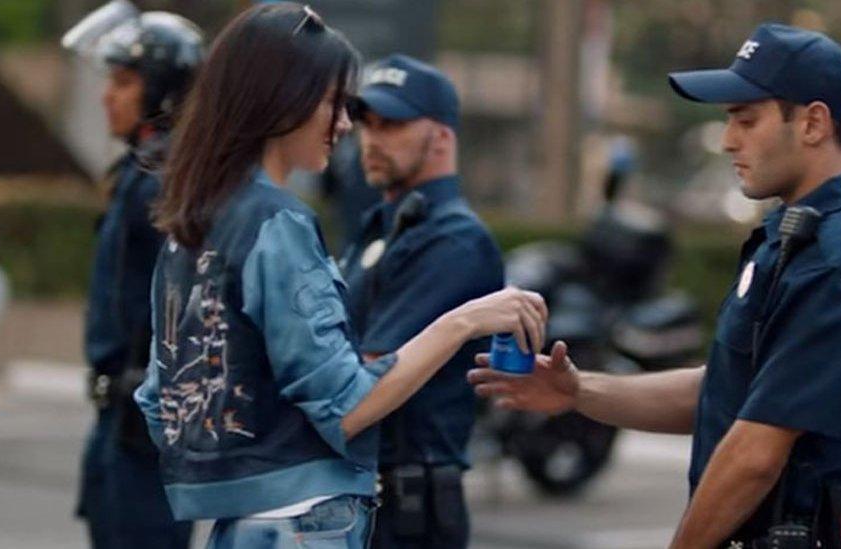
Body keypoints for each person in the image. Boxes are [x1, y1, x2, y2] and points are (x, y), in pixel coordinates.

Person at [470, 23, 841, 549]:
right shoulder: (794, 239)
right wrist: (578, 392)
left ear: (814, 123)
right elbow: (724, 392)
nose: (729, 139)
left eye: (746, 120)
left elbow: (756, 452)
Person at [133, 4, 545, 548]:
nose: (348, 127)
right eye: (335, 103)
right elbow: (348, 403)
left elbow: (160, 401)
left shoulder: (195, 218)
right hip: (305, 523)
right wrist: (466, 321)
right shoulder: (277, 222)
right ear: (286, 101)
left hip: (240, 524)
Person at [341, 54, 504, 549]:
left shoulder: (453, 239)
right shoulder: (385, 225)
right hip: (367, 492)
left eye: (391, 124)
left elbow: (365, 373)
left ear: (442, 137)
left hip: (407, 506)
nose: (371, 138)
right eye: (366, 123)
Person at [62, 3, 203, 547]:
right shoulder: (137, 170)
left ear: (164, 91)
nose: (107, 95)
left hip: (146, 426)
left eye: (123, 81)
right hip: (116, 417)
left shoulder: (165, 180)